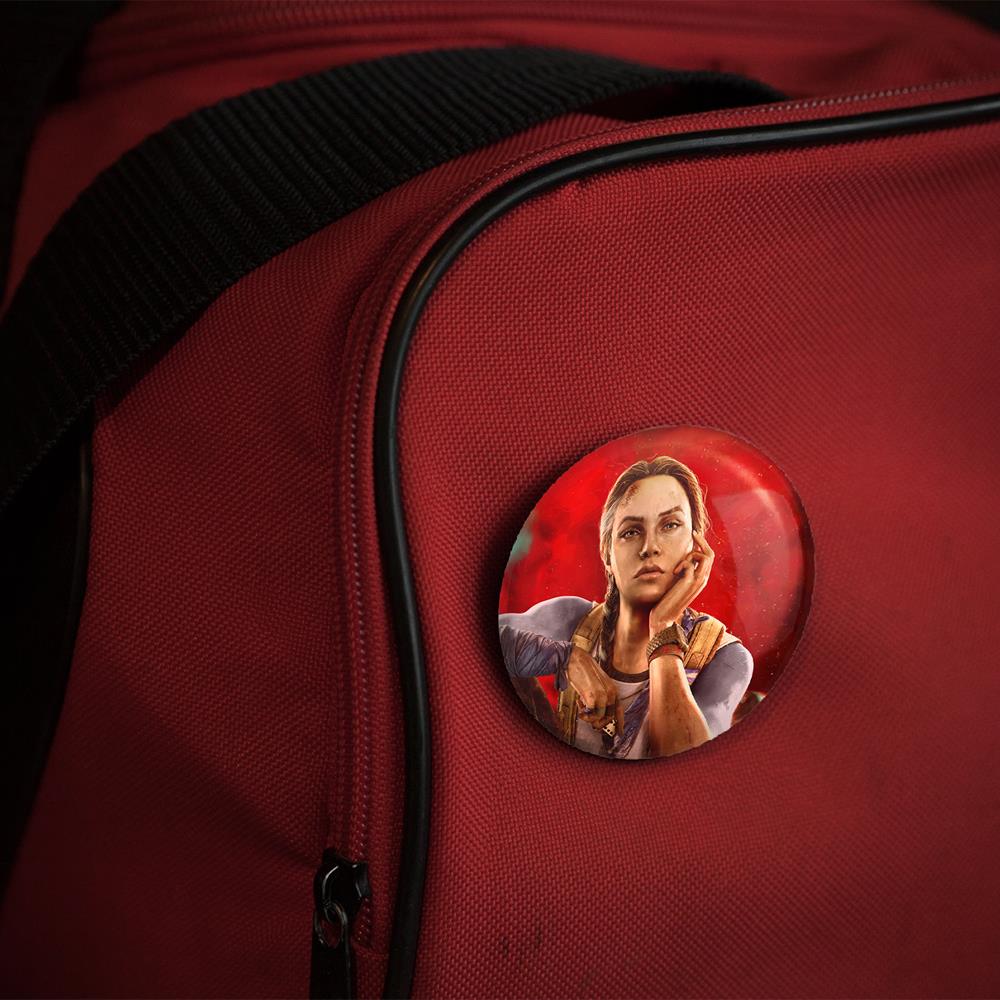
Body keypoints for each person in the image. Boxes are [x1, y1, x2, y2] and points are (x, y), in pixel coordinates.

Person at [498, 456, 753, 759]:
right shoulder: (571, 621)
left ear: (696, 547)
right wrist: (566, 657)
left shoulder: (723, 658)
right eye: (631, 531)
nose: (649, 547)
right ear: (607, 554)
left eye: (670, 525)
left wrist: (663, 628)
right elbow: (472, 638)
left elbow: (688, 764)